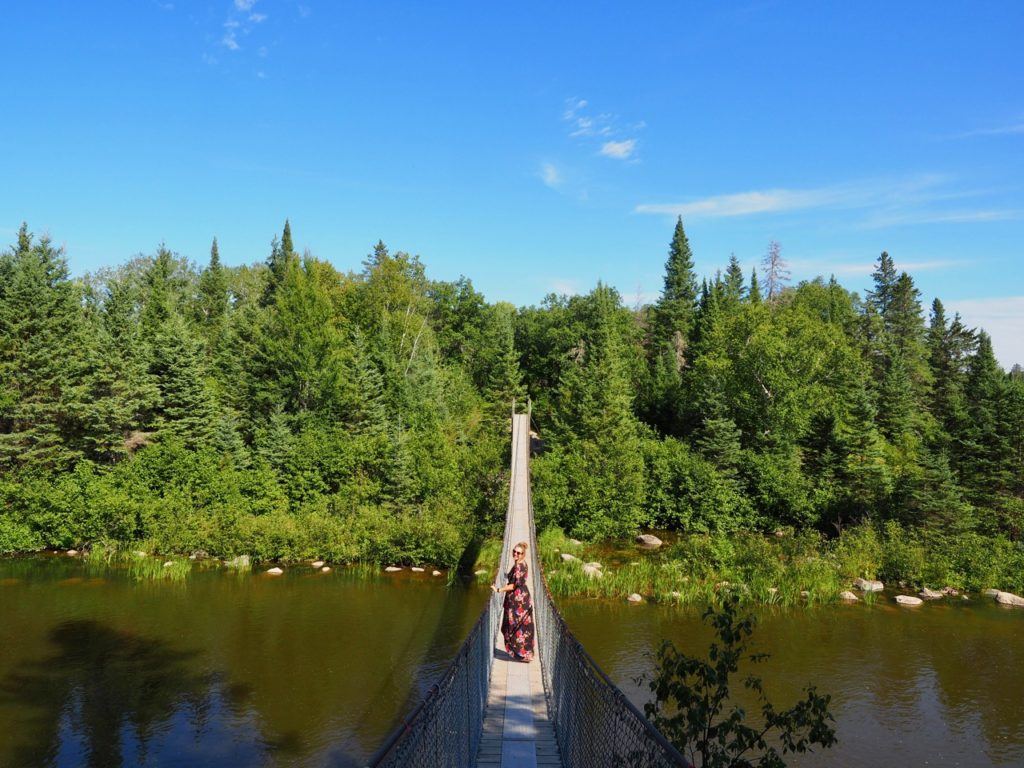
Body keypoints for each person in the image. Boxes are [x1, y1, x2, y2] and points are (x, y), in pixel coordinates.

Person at [491, 540, 535, 662]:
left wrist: (498, 589)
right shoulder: (521, 563)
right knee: (523, 626)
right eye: (514, 552)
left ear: (523, 554)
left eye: (519, 553)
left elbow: (513, 586)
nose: (516, 554)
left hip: (518, 601)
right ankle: (526, 654)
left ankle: (522, 654)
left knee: (515, 626)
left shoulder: (519, 567)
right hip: (521, 598)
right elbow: (513, 579)